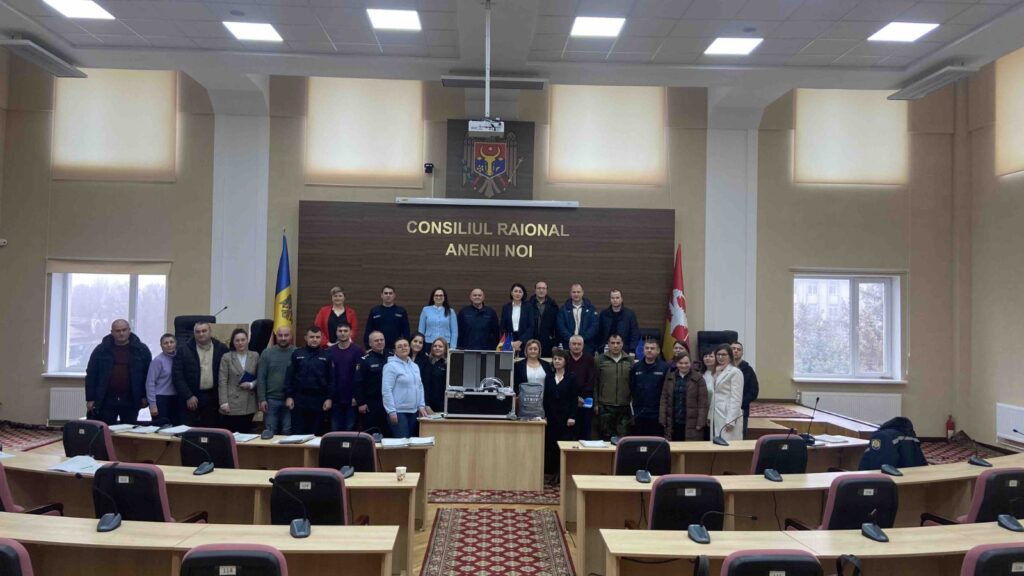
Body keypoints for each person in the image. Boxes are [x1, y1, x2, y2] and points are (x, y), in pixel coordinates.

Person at [85, 319, 152, 425]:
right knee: (105, 429)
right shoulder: (101, 350)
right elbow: (91, 375)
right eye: (117, 331)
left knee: (129, 430)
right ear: (112, 332)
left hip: (131, 398)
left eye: (124, 330)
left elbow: (148, 375)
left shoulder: (141, 350)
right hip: (106, 399)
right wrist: (90, 398)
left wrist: (145, 396)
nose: (121, 333)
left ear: (129, 330)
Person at [173, 322, 228, 428]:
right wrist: (188, 396)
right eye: (197, 332)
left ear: (210, 332)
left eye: (204, 331)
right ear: (194, 333)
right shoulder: (183, 350)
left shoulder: (221, 348)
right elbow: (177, 376)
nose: (201, 334)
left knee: (211, 432)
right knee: (190, 432)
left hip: (213, 398)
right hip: (192, 398)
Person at [283, 327, 334, 436]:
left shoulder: (327, 355)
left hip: (319, 399)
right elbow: (289, 377)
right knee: (298, 431)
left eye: (317, 337)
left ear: (321, 338)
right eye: (311, 337)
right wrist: (289, 396)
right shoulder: (297, 353)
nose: (314, 339)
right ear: (306, 338)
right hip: (300, 398)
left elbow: (331, 379)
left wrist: (329, 398)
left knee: (317, 432)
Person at [382, 338, 431, 438]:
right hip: (398, 412)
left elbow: (420, 386)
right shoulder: (390, 366)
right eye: (399, 347)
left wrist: (421, 405)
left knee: (412, 442)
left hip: (414, 411)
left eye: (405, 345)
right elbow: (386, 390)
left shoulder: (415, 366)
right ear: (395, 351)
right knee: (402, 443)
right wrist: (391, 411)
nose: (403, 348)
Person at [543, 349, 578, 476]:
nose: (557, 361)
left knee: (563, 445)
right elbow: (546, 398)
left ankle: (562, 473)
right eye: (555, 359)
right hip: (551, 417)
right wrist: (545, 415)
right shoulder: (549, 377)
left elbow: (574, 399)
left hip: (566, 418)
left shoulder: (571, 377)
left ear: (565, 361)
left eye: (560, 359)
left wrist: (572, 416)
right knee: (551, 445)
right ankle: (552, 473)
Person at [218, 328, 259, 433]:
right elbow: (222, 381)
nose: (240, 343)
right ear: (233, 342)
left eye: (243, 340)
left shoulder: (255, 356)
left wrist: (251, 384)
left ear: (247, 340)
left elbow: (260, 377)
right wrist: (223, 402)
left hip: (249, 401)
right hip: (232, 402)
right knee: (233, 434)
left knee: (246, 433)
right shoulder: (227, 357)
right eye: (237, 340)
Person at [660, 353, 708, 441]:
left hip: (692, 422)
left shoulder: (699, 378)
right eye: (680, 363)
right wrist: (662, 419)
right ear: (676, 364)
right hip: (673, 421)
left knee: (690, 447)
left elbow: (703, 402)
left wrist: (701, 422)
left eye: (686, 363)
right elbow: (664, 398)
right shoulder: (670, 377)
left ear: (690, 363)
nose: (683, 365)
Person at [257, 325, 295, 435]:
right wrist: (262, 399)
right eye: (280, 335)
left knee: (287, 431)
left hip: (290, 400)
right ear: (276, 337)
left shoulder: (297, 353)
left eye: (286, 335)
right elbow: (261, 377)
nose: (283, 338)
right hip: (271, 400)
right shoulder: (266, 353)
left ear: (291, 336)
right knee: (270, 432)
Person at [594, 334, 633, 440]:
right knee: (605, 438)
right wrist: (596, 404)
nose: (615, 345)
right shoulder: (599, 359)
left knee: (623, 439)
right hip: (605, 406)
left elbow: (633, 383)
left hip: (624, 406)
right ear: (608, 344)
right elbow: (595, 383)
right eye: (612, 343)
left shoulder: (629, 360)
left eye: (618, 343)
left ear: (622, 344)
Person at [327, 323, 363, 432]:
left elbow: (360, 377)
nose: (343, 333)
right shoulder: (329, 351)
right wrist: (329, 397)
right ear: (336, 333)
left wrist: (357, 397)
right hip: (335, 399)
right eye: (340, 331)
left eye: (345, 331)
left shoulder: (358, 351)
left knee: (350, 431)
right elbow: (328, 376)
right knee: (334, 430)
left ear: (350, 333)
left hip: (351, 399)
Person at [630, 339, 670, 436]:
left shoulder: (665, 367)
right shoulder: (636, 367)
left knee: (655, 440)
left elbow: (667, 390)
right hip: (640, 412)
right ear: (643, 350)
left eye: (652, 348)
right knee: (640, 441)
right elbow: (632, 387)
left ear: (658, 351)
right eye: (647, 348)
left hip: (657, 413)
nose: (649, 350)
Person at [354, 331, 389, 436]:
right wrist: (361, 403)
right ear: (370, 343)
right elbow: (358, 383)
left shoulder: (392, 357)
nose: (379, 342)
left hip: (389, 403)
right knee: (372, 434)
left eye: (381, 340)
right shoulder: (365, 360)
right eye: (376, 340)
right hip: (372, 403)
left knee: (388, 434)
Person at [145, 333, 182, 426]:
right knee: (161, 428)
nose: (169, 345)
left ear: (176, 343)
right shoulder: (158, 361)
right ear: (161, 346)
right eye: (166, 343)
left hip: (176, 399)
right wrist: (152, 405)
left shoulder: (179, 358)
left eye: (171, 342)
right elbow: (150, 383)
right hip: (161, 399)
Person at [710, 344, 744, 442]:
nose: (720, 357)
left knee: (728, 443)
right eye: (718, 354)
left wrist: (731, 420)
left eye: (724, 355)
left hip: (728, 414)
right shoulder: (716, 371)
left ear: (730, 356)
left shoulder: (735, 372)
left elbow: (736, 398)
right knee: (716, 442)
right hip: (716, 413)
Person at [565, 335, 597, 440]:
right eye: (574, 344)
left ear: (583, 346)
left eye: (579, 344)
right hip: (568, 400)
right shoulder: (565, 358)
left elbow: (591, 380)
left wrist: (581, 397)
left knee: (585, 432)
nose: (576, 346)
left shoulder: (589, 359)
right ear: (569, 345)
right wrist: (574, 398)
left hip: (585, 400)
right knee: (568, 433)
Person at [364, 285, 410, 352]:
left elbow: (406, 331)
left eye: (390, 293)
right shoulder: (374, 311)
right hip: (378, 348)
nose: (388, 295)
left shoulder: (401, 311)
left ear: (394, 295)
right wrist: (368, 347)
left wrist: (405, 346)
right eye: (386, 293)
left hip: (396, 349)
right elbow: (368, 330)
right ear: (381, 295)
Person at [556, 283, 599, 353]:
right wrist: (572, 339)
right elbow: (561, 327)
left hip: (587, 345)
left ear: (582, 293)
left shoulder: (591, 309)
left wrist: (581, 339)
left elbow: (594, 326)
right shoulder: (563, 309)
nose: (576, 294)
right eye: (574, 292)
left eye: (578, 292)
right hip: (568, 345)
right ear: (570, 293)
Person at [598, 290, 641, 356]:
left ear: (621, 299)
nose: (615, 300)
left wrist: (632, 349)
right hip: (606, 348)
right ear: (610, 299)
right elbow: (599, 333)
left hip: (625, 349)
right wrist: (599, 348)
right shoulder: (604, 314)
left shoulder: (629, 314)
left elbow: (634, 333)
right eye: (613, 298)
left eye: (617, 298)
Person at [731, 341, 760, 435]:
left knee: (740, 435)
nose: (736, 351)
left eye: (738, 349)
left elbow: (754, 392)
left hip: (742, 408)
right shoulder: (723, 368)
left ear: (742, 353)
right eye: (733, 349)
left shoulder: (748, 370)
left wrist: (739, 402)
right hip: (724, 408)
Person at [500, 283, 534, 356]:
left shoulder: (528, 307)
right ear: (511, 293)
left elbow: (531, 326)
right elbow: (503, 326)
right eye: (515, 291)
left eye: (520, 291)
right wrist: (510, 342)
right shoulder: (506, 307)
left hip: (524, 340)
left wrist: (520, 341)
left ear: (523, 294)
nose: (517, 293)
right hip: (509, 340)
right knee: (508, 361)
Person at [528, 281, 559, 357]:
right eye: (539, 288)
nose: (541, 290)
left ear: (546, 290)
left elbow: (557, 326)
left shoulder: (553, 306)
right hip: (531, 341)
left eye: (543, 288)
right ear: (535, 290)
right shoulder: (528, 305)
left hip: (548, 342)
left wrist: (555, 343)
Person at [423, 337, 449, 413]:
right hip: (427, 405)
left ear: (445, 349)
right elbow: (424, 385)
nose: (437, 348)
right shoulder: (426, 362)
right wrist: (426, 405)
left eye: (440, 346)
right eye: (435, 346)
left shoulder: (448, 364)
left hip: (444, 405)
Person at [701, 349, 717, 440]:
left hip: (716, 410)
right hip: (703, 410)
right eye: (705, 356)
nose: (707, 358)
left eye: (711, 356)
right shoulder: (700, 374)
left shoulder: (720, 374)